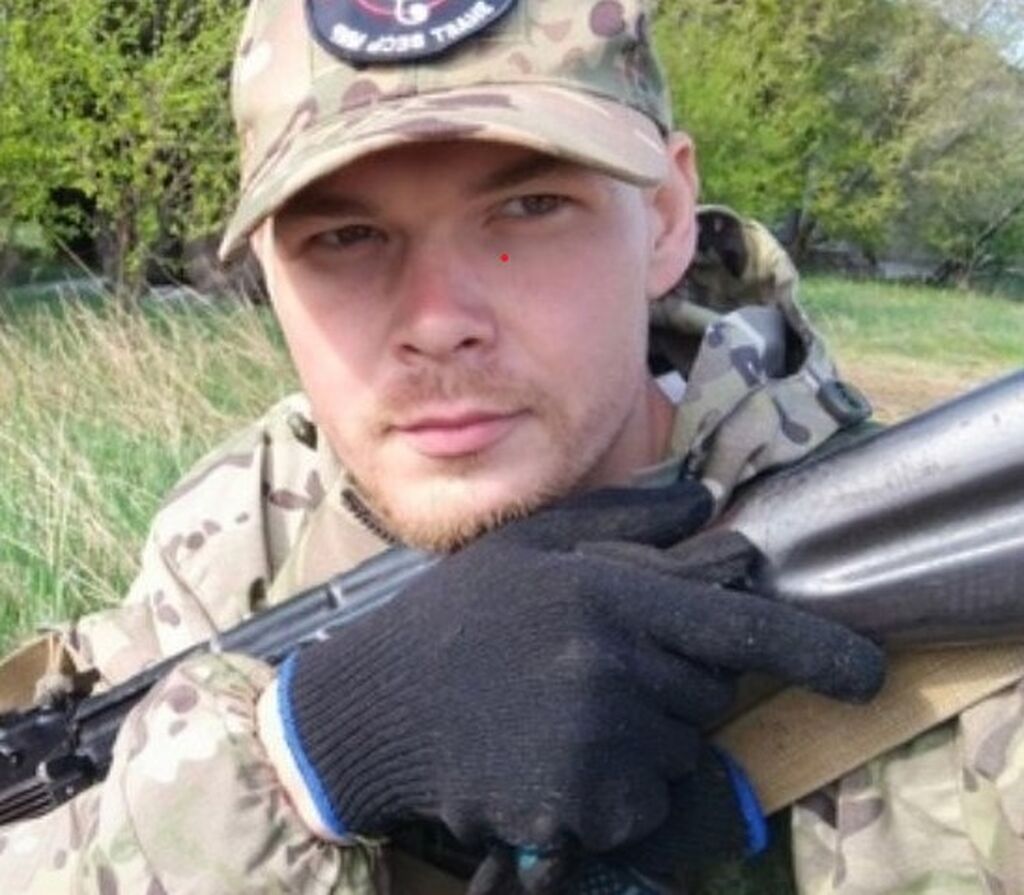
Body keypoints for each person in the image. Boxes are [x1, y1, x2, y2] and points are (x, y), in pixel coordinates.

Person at [0, 1, 1008, 893]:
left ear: (664, 217)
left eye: (529, 207)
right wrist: (307, 756)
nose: (438, 321)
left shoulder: (948, 571)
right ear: (269, 270)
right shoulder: (239, 539)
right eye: (345, 237)